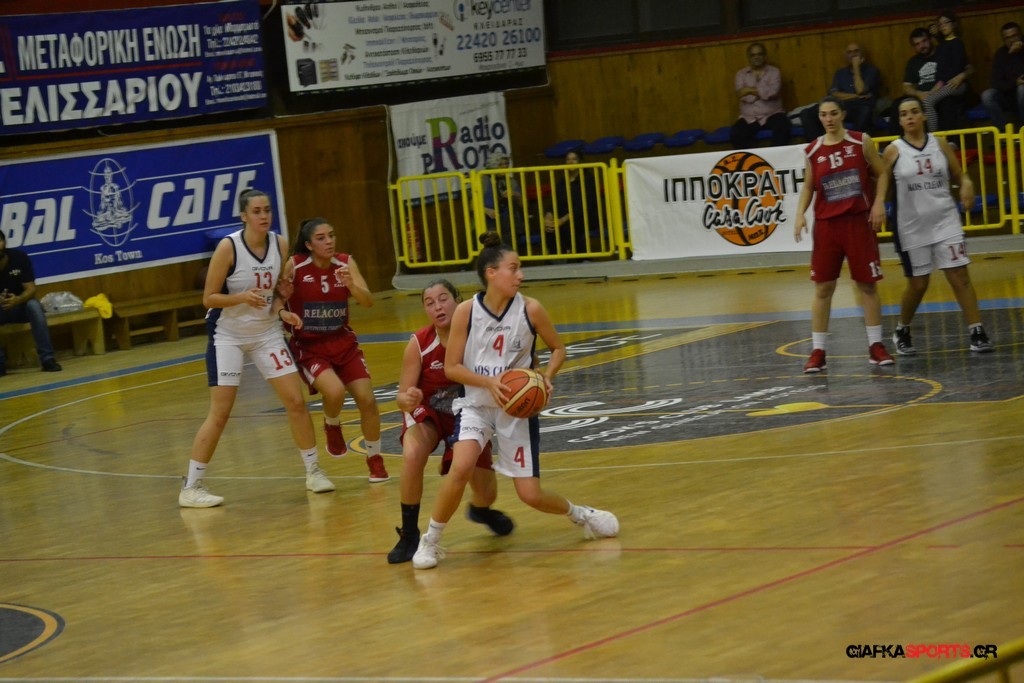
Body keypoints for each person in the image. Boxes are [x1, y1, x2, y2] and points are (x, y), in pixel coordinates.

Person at [411, 231, 618, 570]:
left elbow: (558, 348)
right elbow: (452, 368)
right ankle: (430, 541)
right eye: (513, 268)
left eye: (519, 268)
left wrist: (546, 376)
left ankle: (581, 515)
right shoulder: (466, 311)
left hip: (515, 410)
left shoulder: (531, 310)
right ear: (491, 273)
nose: (520, 275)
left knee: (530, 495)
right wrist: (488, 382)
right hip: (476, 404)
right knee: (461, 467)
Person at [178, 189, 335, 508]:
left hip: (266, 332)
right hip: (228, 335)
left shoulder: (279, 244)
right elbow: (208, 299)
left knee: (295, 401)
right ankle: (191, 487)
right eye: (257, 211)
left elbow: (275, 293)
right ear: (244, 216)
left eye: (267, 210)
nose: (264, 216)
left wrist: (282, 310)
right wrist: (241, 297)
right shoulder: (229, 247)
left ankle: (313, 470)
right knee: (220, 413)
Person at [388, 278, 515, 564]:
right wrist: (408, 398)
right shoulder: (419, 343)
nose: (437, 307)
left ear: (458, 301)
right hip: (430, 413)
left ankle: (480, 510)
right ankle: (409, 533)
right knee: (413, 454)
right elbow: (401, 397)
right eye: (429, 303)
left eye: (443, 299)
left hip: (470, 413)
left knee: (486, 492)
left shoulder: (479, 338)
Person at [873, 96, 994, 355]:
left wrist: (966, 183)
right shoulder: (894, 149)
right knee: (919, 284)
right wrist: (879, 202)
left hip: (945, 219)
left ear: (924, 116)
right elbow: (883, 177)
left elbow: (959, 173)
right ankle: (902, 328)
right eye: (904, 114)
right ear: (900, 120)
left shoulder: (939, 144)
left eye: (914, 111)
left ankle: (977, 330)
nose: (910, 117)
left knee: (959, 275)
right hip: (911, 225)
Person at [282, 217, 389, 483]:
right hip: (310, 346)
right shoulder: (295, 265)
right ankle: (332, 424)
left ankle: (375, 459)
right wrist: (284, 310)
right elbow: (276, 299)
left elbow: (368, 301)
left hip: (343, 343)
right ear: (309, 244)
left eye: (331, 235)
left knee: (367, 400)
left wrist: (352, 285)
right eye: (321, 238)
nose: (329, 241)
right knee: (334, 391)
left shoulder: (345, 262)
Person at [794, 96, 894, 373]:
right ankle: (818, 351)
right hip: (827, 226)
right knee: (823, 288)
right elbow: (809, 186)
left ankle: (876, 346)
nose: (828, 119)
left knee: (868, 285)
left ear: (843, 114)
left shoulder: (861, 141)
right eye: (823, 114)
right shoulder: (813, 150)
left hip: (857, 222)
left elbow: (882, 173)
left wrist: (878, 202)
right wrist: (800, 213)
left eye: (833, 113)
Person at [0, 233, 63, 375]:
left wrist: (17, 299)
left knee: (34, 306)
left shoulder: (19, 257)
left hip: (20, 306)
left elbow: (31, 289)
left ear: (4, 243)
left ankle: (47, 359)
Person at [800, 43, 880, 138]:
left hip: (860, 106)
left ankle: (854, 142)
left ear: (863, 54)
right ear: (846, 56)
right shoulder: (840, 73)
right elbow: (834, 93)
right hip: (841, 105)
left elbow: (860, 90)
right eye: (849, 52)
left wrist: (856, 68)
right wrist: (855, 96)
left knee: (866, 112)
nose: (853, 54)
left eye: (856, 51)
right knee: (806, 113)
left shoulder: (872, 71)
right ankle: (820, 143)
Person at [729, 42, 792, 149]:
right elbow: (741, 94)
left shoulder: (774, 72)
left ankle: (774, 157)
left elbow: (773, 92)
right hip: (749, 117)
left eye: (759, 54)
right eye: (753, 55)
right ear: (748, 57)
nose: (756, 57)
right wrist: (763, 92)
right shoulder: (741, 74)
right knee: (736, 133)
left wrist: (748, 90)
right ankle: (754, 157)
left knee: (784, 127)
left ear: (765, 56)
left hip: (772, 114)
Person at [543, 150, 603, 256]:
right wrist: (548, 216)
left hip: (584, 216)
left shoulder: (589, 179)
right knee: (549, 228)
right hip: (564, 217)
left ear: (580, 161)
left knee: (569, 227)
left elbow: (583, 206)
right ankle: (554, 259)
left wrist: (562, 220)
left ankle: (579, 258)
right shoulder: (562, 181)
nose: (570, 162)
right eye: (568, 159)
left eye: (574, 159)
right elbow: (554, 202)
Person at [924, 11, 973, 132]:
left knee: (928, 101)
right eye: (940, 24)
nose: (943, 26)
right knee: (928, 99)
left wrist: (940, 84)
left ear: (953, 24)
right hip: (945, 83)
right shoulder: (941, 45)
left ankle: (933, 136)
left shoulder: (957, 42)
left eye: (946, 23)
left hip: (956, 84)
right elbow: (941, 68)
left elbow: (957, 67)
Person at [981, 22, 1024, 129]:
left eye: (1014, 36)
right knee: (987, 95)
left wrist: (1018, 54)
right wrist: (1014, 83)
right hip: (1008, 94)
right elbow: (995, 82)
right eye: (1007, 38)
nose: (1011, 40)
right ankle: (1003, 133)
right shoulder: (1001, 54)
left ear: (1020, 35)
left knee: (1022, 89)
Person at [481, 154, 527, 252]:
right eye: (501, 164)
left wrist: (515, 195)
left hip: (508, 221)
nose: (505, 167)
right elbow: (471, 206)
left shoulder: (511, 182)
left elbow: (522, 205)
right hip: (488, 222)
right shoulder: (483, 180)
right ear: (493, 165)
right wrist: (486, 210)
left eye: (506, 164)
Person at [898, 28, 940, 133]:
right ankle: (902, 141)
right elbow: (906, 87)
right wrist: (918, 93)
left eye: (924, 41)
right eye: (917, 44)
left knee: (947, 104)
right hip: (921, 96)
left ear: (930, 40)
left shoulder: (942, 54)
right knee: (897, 105)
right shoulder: (913, 62)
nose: (922, 46)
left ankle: (947, 139)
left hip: (941, 92)